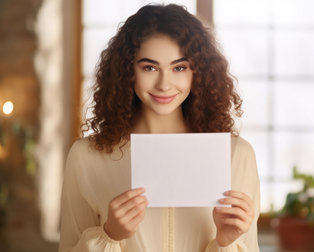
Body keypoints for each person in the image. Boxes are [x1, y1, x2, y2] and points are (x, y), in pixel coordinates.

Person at [59, 4, 260, 252]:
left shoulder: (236, 156)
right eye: (149, 67)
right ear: (127, 71)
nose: (165, 84)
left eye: (179, 67)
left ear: (198, 72)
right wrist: (109, 235)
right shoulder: (86, 157)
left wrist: (226, 243)